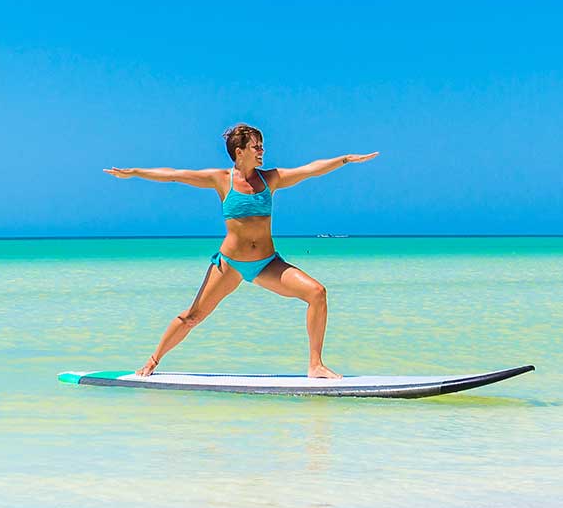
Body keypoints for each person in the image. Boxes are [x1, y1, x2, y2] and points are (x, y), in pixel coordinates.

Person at [103, 123, 379, 379]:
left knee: (317, 293)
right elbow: (175, 175)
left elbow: (310, 169)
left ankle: (315, 365)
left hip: (267, 264)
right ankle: (152, 361)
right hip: (230, 265)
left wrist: (345, 159)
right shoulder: (221, 179)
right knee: (192, 317)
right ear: (240, 151)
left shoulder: (272, 179)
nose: (262, 151)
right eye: (256, 147)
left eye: (262, 146)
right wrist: (135, 173)